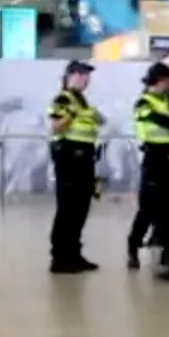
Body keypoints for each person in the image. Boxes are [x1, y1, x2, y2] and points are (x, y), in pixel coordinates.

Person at [46, 59, 102, 274]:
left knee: (80, 209)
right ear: (72, 75)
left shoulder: (82, 100)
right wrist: (71, 115)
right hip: (69, 157)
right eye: (82, 75)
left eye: (87, 75)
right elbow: (56, 127)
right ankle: (60, 258)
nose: (86, 79)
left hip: (84, 158)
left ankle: (74, 254)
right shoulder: (64, 98)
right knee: (68, 209)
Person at [128, 62, 169, 273]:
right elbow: (164, 122)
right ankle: (133, 248)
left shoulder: (168, 101)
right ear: (160, 80)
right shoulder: (144, 102)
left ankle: (167, 255)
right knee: (148, 208)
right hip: (155, 158)